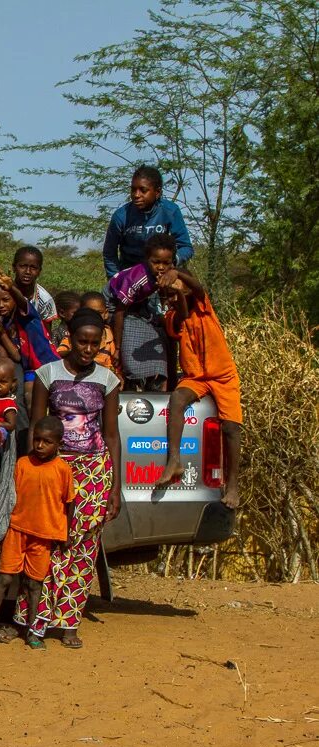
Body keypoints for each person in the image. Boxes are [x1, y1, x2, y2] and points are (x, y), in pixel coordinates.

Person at [13, 308, 122, 649]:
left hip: (94, 469)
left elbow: (112, 435)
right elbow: (36, 426)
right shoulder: (48, 374)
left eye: (94, 343)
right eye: (82, 342)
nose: (88, 349)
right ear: (69, 340)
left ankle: (69, 621)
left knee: (84, 548)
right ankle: (33, 618)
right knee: (47, 542)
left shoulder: (107, 380)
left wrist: (115, 488)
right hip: (55, 468)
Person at [152, 261, 242, 509]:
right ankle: (174, 460)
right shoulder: (173, 317)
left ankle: (233, 484)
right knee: (177, 399)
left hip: (222, 376)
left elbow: (198, 288)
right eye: (166, 295)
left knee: (232, 428)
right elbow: (180, 313)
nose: (170, 299)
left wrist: (177, 275)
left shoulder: (204, 308)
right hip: (196, 377)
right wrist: (177, 291)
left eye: (174, 292)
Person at [0, 416, 73, 650]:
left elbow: (68, 503)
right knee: (4, 578)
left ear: (58, 444)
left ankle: (33, 632)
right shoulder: (22, 464)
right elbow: (8, 496)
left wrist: (66, 534)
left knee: (34, 585)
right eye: (37, 440)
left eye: (47, 442)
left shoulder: (63, 470)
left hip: (43, 535)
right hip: (17, 530)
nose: (40, 446)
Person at [102, 164, 194, 279]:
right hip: (130, 277)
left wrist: (171, 263)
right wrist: (116, 280)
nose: (136, 195)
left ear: (157, 192)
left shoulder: (170, 211)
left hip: (161, 276)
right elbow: (109, 253)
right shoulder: (121, 216)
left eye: (143, 190)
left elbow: (186, 247)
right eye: (133, 189)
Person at [106, 234, 171, 391]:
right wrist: (118, 348)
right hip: (116, 305)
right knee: (130, 351)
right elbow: (120, 312)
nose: (161, 267)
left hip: (138, 306)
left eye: (166, 263)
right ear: (147, 259)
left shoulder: (166, 274)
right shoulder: (137, 280)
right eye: (156, 262)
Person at [57, 292, 119, 376]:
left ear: (106, 313)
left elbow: (114, 364)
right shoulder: (74, 334)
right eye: (89, 312)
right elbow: (59, 353)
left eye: (99, 313)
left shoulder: (111, 336)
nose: (94, 316)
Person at [12, 246, 58, 326]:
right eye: (23, 266)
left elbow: (46, 335)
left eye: (33, 268)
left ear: (39, 271)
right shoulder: (2, 291)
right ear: (14, 268)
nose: (28, 271)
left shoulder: (45, 300)